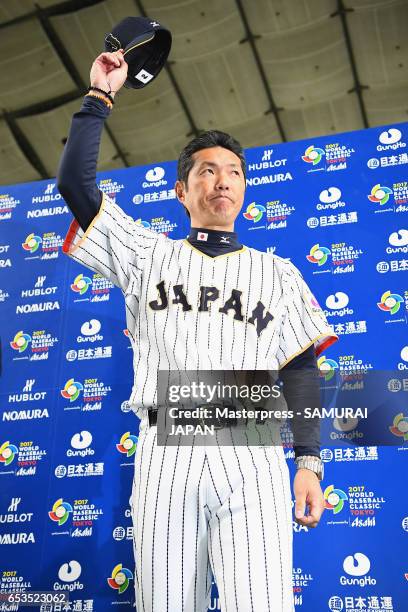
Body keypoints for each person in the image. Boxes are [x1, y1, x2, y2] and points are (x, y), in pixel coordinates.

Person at [57, 49, 338, 612]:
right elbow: (77, 186)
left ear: (245, 189)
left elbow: (301, 370)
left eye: (233, 171)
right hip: (167, 448)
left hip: (251, 450)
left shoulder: (277, 272)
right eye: (206, 170)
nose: (222, 180)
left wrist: (308, 462)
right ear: (182, 192)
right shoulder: (145, 254)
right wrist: (99, 97)